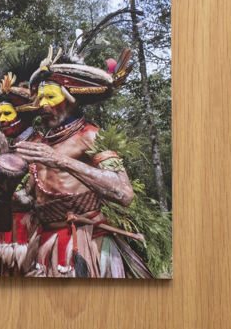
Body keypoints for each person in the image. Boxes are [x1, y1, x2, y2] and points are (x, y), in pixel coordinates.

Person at [10, 44, 154, 277]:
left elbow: (124, 192)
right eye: (40, 98)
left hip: (86, 241)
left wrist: (63, 161)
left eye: (51, 96)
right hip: (47, 243)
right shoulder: (41, 145)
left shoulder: (91, 135)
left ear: (71, 99)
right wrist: (8, 192)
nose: (42, 104)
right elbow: (31, 197)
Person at [0, 53, 45, 276]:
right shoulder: (9, 148)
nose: (1, 120)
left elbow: (28, 195)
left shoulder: (40, 145)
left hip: (29, 237)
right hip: (5, 234)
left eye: (7, 113)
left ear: (23, 112)